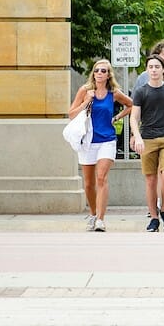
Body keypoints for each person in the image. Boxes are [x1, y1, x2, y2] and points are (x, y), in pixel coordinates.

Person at [68, 60, 133, 232]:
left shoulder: (114, 93)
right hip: (88, 140)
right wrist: (86, 101)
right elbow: (71, 114)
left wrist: (117, 117)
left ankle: (101, 220)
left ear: (108, 74)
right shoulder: (85, 90)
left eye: (103, 70)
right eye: (96, 70)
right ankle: (93, 213)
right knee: (88, 183)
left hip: (107, 140)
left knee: (101, 178)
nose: (99, 73)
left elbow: (130, 104)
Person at [130, 54, 164, 232]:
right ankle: (153, 217)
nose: (153, 70)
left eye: (157, 67)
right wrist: (137, 137)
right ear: (147, 69)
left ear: (163, 69)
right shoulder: (141, 91)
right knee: (151, 180)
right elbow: (134, 117)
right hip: (147, 138)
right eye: (150, 67)